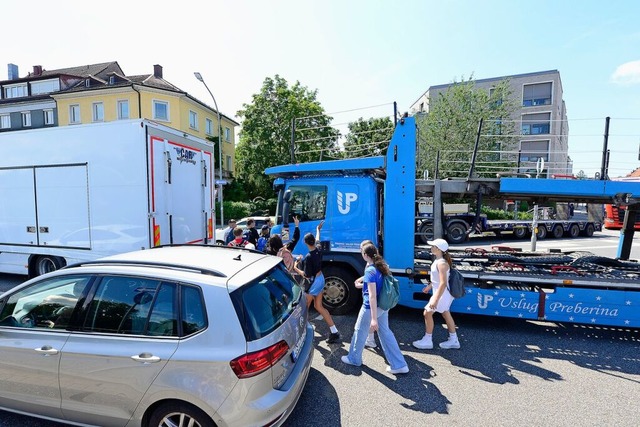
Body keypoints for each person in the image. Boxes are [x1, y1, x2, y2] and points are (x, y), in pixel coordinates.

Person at [341, 243, 409, 374]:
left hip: (370, 308)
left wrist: (373, 319)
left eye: (362, 253)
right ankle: (399, 364)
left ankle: (354, 358)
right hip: (383, 306)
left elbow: (372, 296)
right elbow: (377, 285)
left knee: (359, 331)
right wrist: (362, 285)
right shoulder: (381, 266)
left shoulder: (370, 270)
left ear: (366, 255)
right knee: (386, 333)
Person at [293, 221, 341, 344]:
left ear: (305, 243)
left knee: (304, 308)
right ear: (313, 241)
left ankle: (303, 333)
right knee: (318, 306)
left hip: (313, 283)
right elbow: (318, 239)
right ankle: (334, 331)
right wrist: (318, 229)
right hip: (321, 279)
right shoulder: (318, 249)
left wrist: (295, 266)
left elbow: (306, 275)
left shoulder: (308, 257)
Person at [412, 238, 460, 350]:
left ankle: (428, 340)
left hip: (442, 294)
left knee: (427, 313)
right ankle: (453, 340)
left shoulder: (441, 263)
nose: (431, 247)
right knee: (445, 313)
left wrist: (435, 299)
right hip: (442, 293)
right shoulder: (438, 261)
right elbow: (438, 280)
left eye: (433, 246)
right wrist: (429, 286)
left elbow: (443, 283)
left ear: (438, 249)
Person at [355, 239, 378, 349]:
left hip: (369, 301)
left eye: (361, 249)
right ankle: (371, 339)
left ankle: (354, 355)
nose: (360, 251)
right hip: (375, 300)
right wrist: (361, 279)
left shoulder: (370, 267)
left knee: (359, 327)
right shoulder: (375, 263)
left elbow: (371, 292)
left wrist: (360, 285)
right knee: (383, 329)